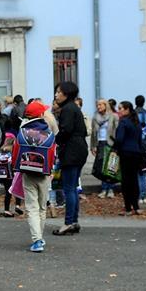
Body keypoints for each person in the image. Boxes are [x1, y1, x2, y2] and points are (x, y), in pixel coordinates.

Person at [14, 101, 57, 251]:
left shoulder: (22, 132)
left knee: (31, 207)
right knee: (42, 207)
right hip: (44, 173)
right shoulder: (49, 134)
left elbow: (15, 154)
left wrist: (17, 168)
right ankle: (40, 237)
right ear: (40, 115)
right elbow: (52, 155)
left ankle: (37, 239)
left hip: (27, 172)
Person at [52, 82, 88, 235]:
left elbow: (65, 130)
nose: (56, 95)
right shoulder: (74, 108)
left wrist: (55, 140)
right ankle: (73, 221)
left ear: (66, 94)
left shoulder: (67, 109)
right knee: (73, 187)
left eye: (59, 92)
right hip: (79, 149)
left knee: (69, 188)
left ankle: (68, 222)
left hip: (71, 151)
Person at [114, 101, 143, 216]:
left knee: (126, 181)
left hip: (125, 153)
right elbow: (140, 139)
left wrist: (115, 148)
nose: (119, 110)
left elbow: (120, 139)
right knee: (134, 180)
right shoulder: (136, 122)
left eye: (120, 108)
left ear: (127, 110)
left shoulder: (123, 122)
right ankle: (136, 206)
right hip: (136, 153)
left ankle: (128, 208)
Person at [90, 99, 119, 198]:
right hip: (100, 142)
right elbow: (94, 133)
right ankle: (103, 188)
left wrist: (117, 144)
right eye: (97, 105)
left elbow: (117, 130)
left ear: (106, 105)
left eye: (100, 105)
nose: (98, 107)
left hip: (110, 143)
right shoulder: (95, 117)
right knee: (101, 166)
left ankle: (110, 188)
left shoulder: (113, 116)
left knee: (110, 166)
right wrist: (93, 146)